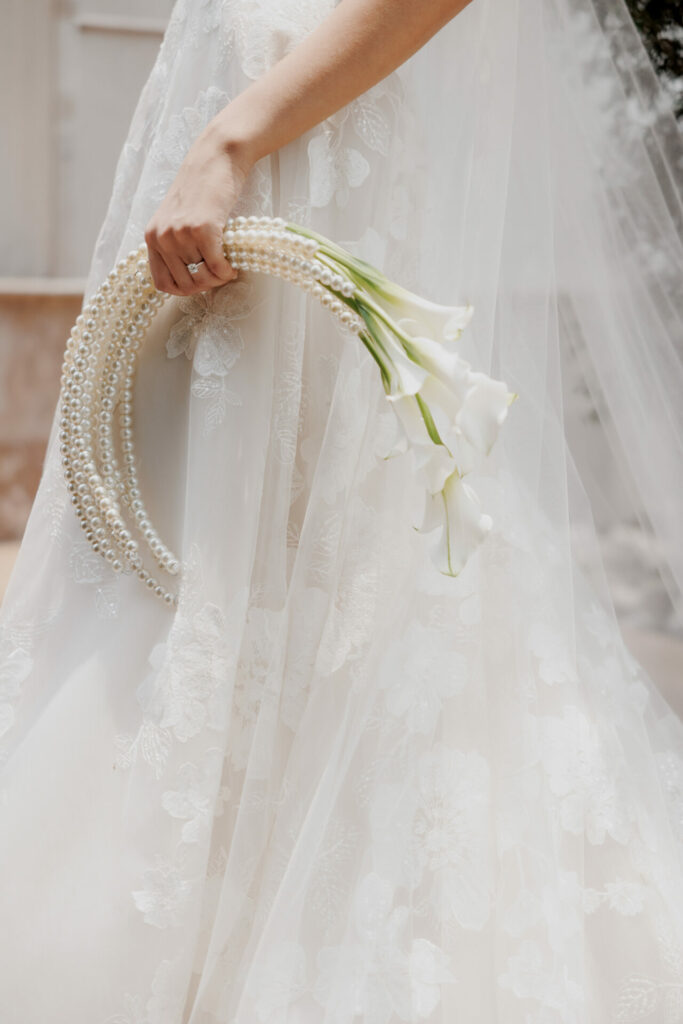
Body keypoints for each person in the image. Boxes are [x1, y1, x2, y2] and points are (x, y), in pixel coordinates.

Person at [1, 0, 682, 1021]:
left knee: (346, 566)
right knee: (165, 567)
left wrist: (237, 133)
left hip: (299, 161)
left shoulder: (258, 133)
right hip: (231, 152)